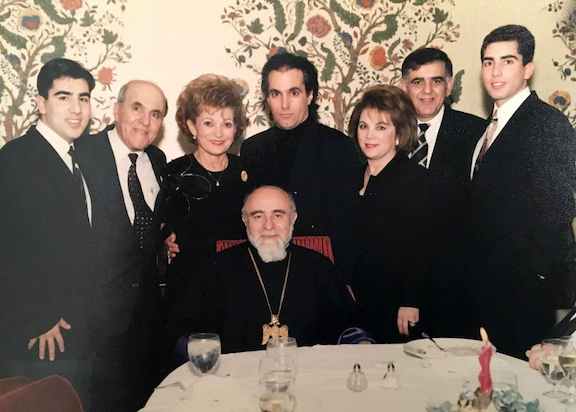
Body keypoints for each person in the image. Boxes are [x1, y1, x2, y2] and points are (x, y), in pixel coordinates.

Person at [468, 25, 576, 358]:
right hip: (487, 288)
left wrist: (533, 278)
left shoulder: (548, 124)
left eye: (507, 61)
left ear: (527, 69)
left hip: (524, 292)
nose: (495, 71)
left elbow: (559, 207)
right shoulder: (491, 125)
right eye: (488, 62)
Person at [0, 58, 95, 407]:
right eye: (64, 97)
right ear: (40, 103)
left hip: (70, 325)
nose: (76, 109)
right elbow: (9, 250)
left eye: (83, 98)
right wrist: (39, 320)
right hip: (39, 334)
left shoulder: (74, 155)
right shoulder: (17, 160)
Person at [169, 185, 354, 354]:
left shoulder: (319, 266)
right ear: (244, 220)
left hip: (309, 377)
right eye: (257, 216)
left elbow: (349, 326)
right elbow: (187, 332)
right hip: (235, 381)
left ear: (294, 218)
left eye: (278, 215)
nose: (268, 225)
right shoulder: (216, 269)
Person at [76, 79, 168, 410]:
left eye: (155, 114)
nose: (145, 120)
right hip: (93, 326)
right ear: (117, 110)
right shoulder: (81, 154)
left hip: (147, 323)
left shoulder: (158, 161)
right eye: (137, 108)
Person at [240, 52, 362, 260]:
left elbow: (350, 225)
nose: (284, 104)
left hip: (324, 265)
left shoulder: (340, 147)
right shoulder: (252, 148)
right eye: (276, 94)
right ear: (267, 98)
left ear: (310, 95)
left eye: (294, 93)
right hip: (267, 264)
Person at [400, 48, 485, 338]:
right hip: (396, 291)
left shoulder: (476, 134)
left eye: (436, 81)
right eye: (417, 81)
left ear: (449, 85)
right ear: (403, 85)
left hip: (455, 291)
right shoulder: (383, 131)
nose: (426, 91)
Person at [344, 85, 432, 343]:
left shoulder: (415, 180)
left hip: (398, 307)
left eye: (381, 127)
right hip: (359, 302)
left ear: (398, 134)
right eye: (363, 126)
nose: (369, 135)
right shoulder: (352, 177)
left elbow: (422, 248)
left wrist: (410, 301)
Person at [163, 74, 250, 305]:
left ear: (236, 128)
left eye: (227, 124)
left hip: (241, 288)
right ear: (192, 126)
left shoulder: (249, 172)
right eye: (209, 123)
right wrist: (164, 242)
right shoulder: (173, 173)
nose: (219, 133)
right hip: (189, 290)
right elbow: (160, 229)